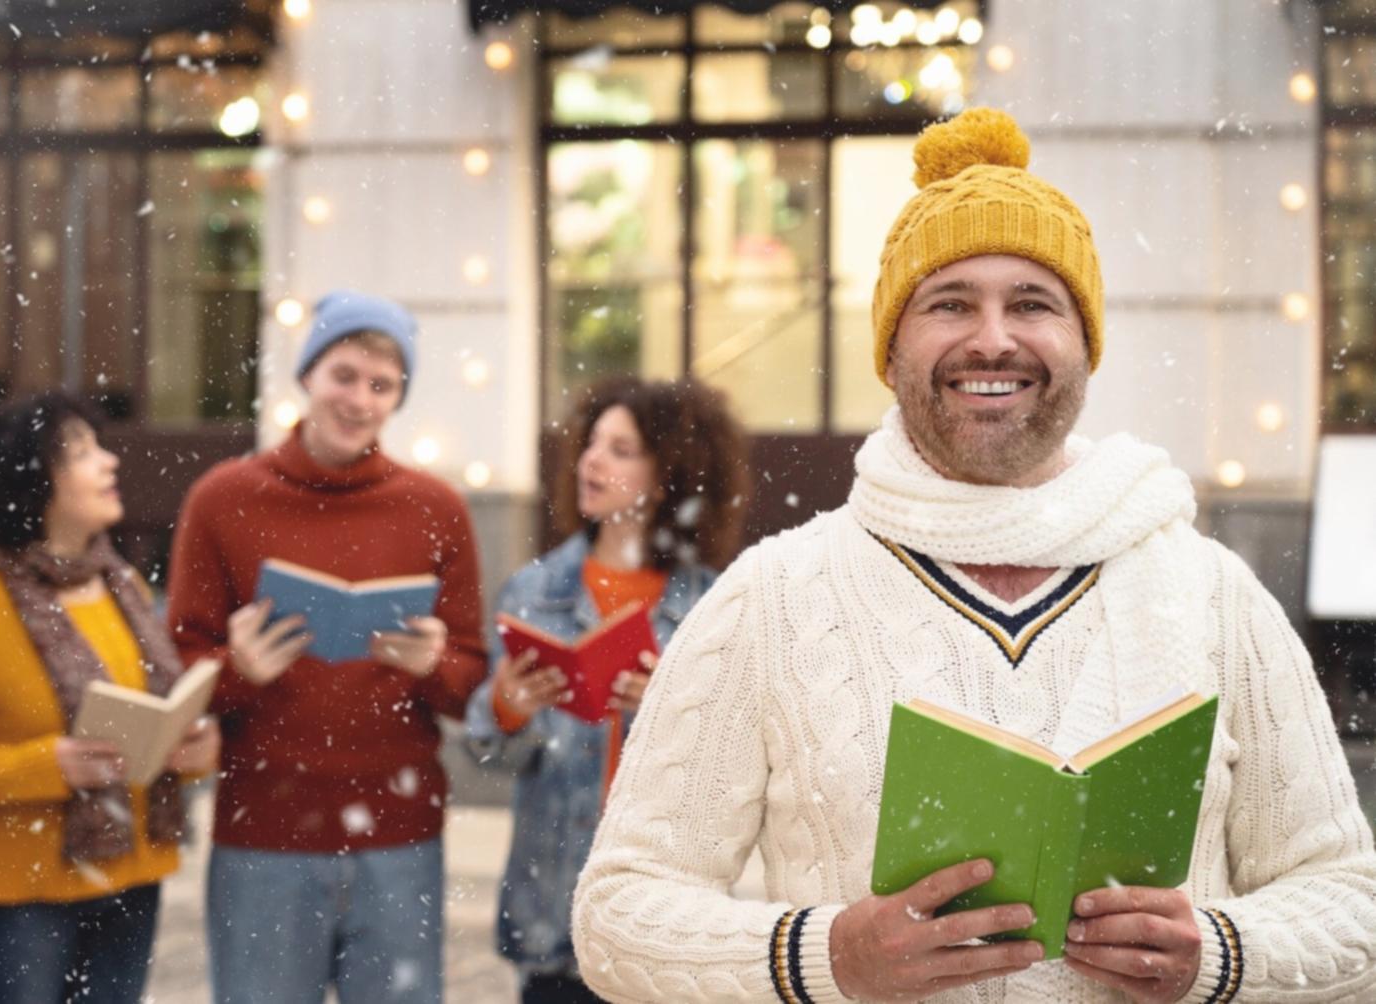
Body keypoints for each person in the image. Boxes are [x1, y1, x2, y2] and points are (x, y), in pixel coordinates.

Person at [572, 108, 1376, 1003]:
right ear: (890, 351)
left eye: (1032, 303)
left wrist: (1218, 954)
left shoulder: (1211, 593)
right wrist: (825, 956)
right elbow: (617, 915)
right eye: (949, 303)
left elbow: (1349, 903)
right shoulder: (772, 596)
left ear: (1084, 346)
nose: (992, 339)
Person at [167, 290, 487, 1004]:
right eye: (344, 375)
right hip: (264, 834)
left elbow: (471, 681)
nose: (360, 400)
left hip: (399, 836)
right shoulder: (222, 500)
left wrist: (433, 665)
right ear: (307, 373)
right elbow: (178, 668)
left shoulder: (436, 509)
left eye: (382, 385)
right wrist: (236, 670)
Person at [0, 391, 219, 1004]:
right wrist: (46, 766)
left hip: (130, 877)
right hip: (21, 895)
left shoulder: (121, 587)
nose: (110, 462)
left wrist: (190, 750)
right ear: (33, 481)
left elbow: (145, 722)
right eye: (83, 453)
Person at [466, 376, 749, 1003]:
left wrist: (671, 712)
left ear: (667, 475)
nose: (591, 462)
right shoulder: (534, 593)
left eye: (620, 450)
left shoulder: (713, 605)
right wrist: (507, 711)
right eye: (591, 444)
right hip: (555, 917)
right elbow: (487, 755)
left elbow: (737, 776)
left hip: (670, 923)